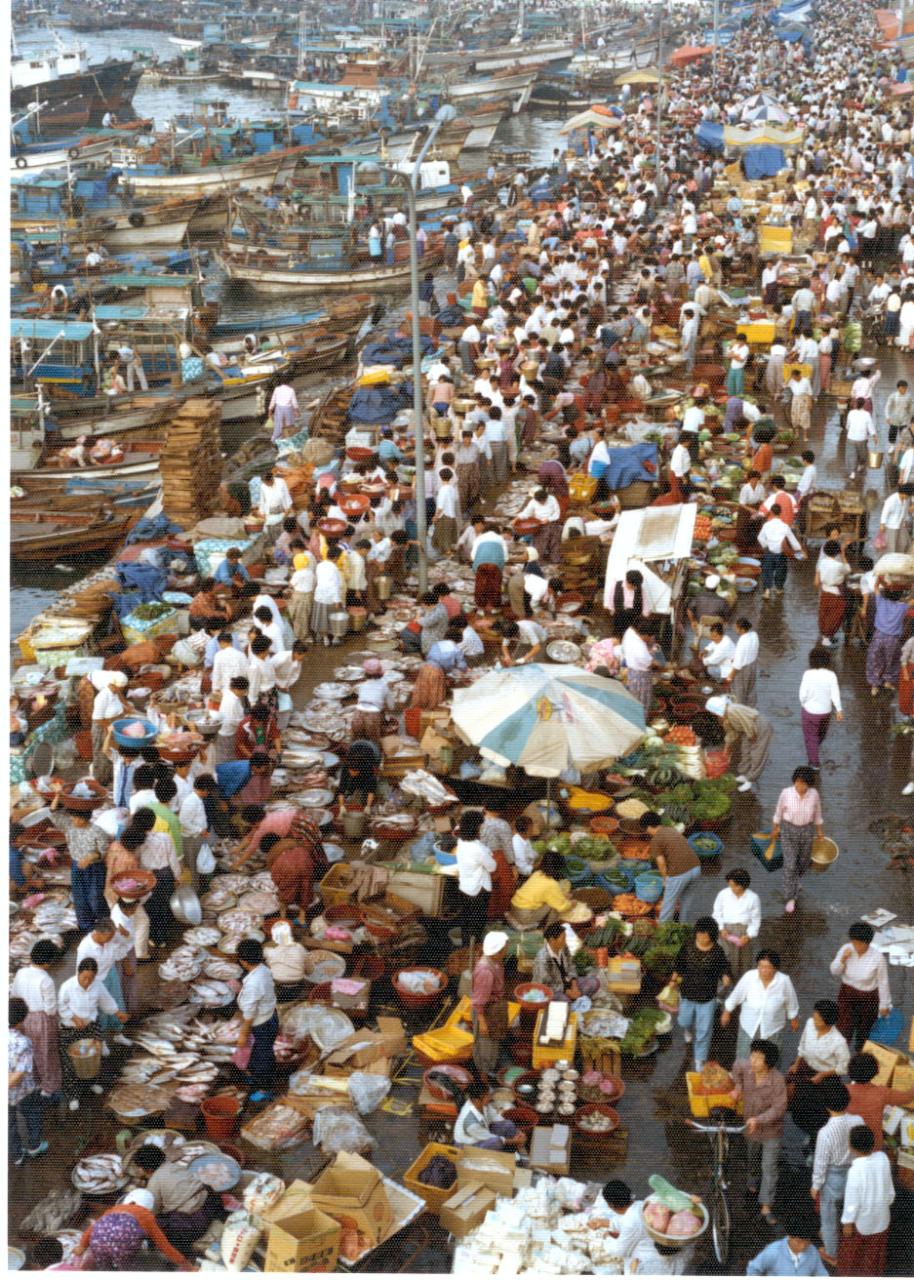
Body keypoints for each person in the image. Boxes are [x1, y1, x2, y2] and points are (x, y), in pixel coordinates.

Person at [729, 1039, 788, 1225]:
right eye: (752, 1056)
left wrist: (759, 1119)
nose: (753, 1061)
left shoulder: (778, 1081)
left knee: (769, 1167)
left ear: (768, 1063)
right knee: (752, 1156)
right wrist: (738, 1087)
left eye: (758, 1058)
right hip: (750, 1127)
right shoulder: (746, 1067)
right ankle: (753, 1179)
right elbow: (736, 1067)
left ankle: (766, 1204)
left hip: (770, 1130)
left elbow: (779, 1108)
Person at [58, 958, 126, 1111]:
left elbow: (106, 1001)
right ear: (78, 973)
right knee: (70, 1063)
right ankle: (73, 1095)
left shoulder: (97, 985)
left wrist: (117, 1012)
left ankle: (92, 1083)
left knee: (92, 1058)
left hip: (90, 1026)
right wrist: (74, 1018)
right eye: (84, 978)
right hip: (70, 1029)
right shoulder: (67, 986)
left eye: (91, 978)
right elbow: (61, 1006)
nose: (87, 981)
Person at [72, 1188, 193, 1271]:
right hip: (123, 1249)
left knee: (104, 1265)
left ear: (129, 1201)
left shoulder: (113, 1209)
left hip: (97, 1242)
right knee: (126, 1267)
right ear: (147, 1206)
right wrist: (184, 1263)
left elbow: (93, 1228)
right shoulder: (147, 1216)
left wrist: (82, 1246)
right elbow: (164, 1245)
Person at [811, 1081, 864, 1267]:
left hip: (833, 1177)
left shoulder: (825, 1132)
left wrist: (816, 1185)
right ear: (847, 1100)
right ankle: (850, 1239)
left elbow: (820, 1162)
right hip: (855, 1172)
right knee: (850, 1208)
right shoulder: (858, 1120)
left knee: (828, 1216)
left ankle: (831, 1253)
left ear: (825, 1105)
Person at [133, 1143, 222, 1251]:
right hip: (211, 1201)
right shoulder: (173, 1165)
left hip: (195, 1223)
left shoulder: (154, 1182)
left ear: (147, 1170)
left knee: (154, 1223)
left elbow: (153, 1211)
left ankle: (183, 1251)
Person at [669, 917, 731, 1071]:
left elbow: (724, 967)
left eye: (705, 934)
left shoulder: (717, 951)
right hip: (687, 994)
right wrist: (673, 980)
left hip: (707, 997)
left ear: (712, 935)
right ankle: (688, 1029)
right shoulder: (688, 946)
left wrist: (725, 976)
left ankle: (699, 1060)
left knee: (704, 1031)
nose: (702, 937)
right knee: (684, 1021)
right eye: (699, 933)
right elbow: (679, 964)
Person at [787, 1000, 851, 1140]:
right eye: (814, 1016)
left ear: (828, 1022)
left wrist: (823, 1074)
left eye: (818, 1019)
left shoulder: (839, 1042)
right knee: (799, 1101)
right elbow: (802, 1044)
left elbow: (843, 1067)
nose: (814, 1021)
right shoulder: (810, 1024)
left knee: (817, 1109)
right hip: (805, 1069)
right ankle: (802, 1125)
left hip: (825, 1079)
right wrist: (797, 1062)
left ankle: (815, 1135)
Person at [48, 786, 108, 932]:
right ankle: (86, 927)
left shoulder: (98, 832)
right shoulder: (69, 826)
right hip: (77, 866)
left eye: (75, 817)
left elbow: (103, 851)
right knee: (80, 897)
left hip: (94, 869)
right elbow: (53, 813)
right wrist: (57, 794)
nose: (72, 819)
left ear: (84, 818)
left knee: (95, 898)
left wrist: (90, 857)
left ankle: (103, 925)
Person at [721, 949, 800, 1059]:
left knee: (770, 1059)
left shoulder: (784, 981)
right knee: (744, 1057)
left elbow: (791, 1001)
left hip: (772, 1028)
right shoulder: (749, 977)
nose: (764, 971)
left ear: (775, 968)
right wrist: (726, 1012)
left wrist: (793, 1018)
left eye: (768, 967)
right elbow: (736, 995)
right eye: (761, 966)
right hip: (748, 1026)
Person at [837, 1124, 894, 1275]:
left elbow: (852, 1202)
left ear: (851, 1147)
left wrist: (847, 1223)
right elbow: (889, 1190)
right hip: (882, 1218)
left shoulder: (855, 1171)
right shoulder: (883, 1158)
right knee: (874, 1256)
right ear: (873, 1142)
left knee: (855, 1258)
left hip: (862, 1224)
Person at [829, 922, 892, 1051]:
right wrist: (842, 960)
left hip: (868, 997)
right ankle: (840, 1054)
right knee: (843, 1027)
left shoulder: (877, 958)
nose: (856, 946)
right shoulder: (846, 949)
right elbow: (834, 971)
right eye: (854, 942)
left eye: (860, 944)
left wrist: (884, 1005)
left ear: (868, 943)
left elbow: (883, 982)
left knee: (864, 1029)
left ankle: (860, 1053)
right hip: (847, 994)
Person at [10, 940, 61, 1098]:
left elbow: (14, 996)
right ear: (48, 962)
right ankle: (49, 1086)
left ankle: (35, 1080)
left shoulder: (20, 973)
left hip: (24, 1018)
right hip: (42, 1020)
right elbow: (51, 1009)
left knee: (30, 1051)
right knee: (47, 1052)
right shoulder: (46, 980)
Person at [771, 765, 823, 913]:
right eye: (798, 782)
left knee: (803, 862)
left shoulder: (814, 795)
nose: (800, 786)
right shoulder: (786, 793)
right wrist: (775, 829)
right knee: (790, 864)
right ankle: (790, 897)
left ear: (809, 784)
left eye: (804, 783)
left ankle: (796, 881)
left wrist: (820, 832)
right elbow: (778, 813)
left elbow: (818, 815)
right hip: (788, 831)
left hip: (807, 831)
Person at [236, 938, 278, 1102]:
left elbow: (249, 1014)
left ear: (244, 962)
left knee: (263, 1056)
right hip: (270, 1017)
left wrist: (242, 1035)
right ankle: (255, 1076)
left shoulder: (254, 983)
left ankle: (265, 1088)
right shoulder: (263, 970)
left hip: (262, 1024)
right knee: (259, 1052)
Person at [640, 811, 701, 923]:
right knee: (686, 902)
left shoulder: (656, 839)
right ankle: (684, 926)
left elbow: (661, 862)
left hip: (679, 873)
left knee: (668, 905)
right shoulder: (671, 830)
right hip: (696, 868)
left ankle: (663, 932)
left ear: (648, 827)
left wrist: (665, 879)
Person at [9, 997, 49, 1168]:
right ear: (21, 1020)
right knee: (33, 1115)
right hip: (24, 1091)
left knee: (9, 1125)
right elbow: (20, 1073)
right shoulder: (22, 1042)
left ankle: (16, 1155)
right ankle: (34, 1146)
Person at [847, 1051, 914, 1152]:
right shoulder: (881, 1093)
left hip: (850, 1144)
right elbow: (907, 1097)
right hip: (874, 1146)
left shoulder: (843, 1091)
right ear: (875, 1071)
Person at [471, 930, 510, 1083]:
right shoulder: (485, 971)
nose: (507, 950)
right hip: (486, 1012)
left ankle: (490, 1067)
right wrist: (482, 1022)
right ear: (497, 951)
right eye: (505, 948)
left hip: (494, 1007)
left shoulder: (495, 961)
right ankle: (484, 1080)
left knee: (493, 1041)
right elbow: (479, 1001)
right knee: (485, 1045)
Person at [711, 868, 761, 980]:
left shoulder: (753, 898)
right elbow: (716, 913)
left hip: (744, 932)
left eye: (734, 885)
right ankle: (723, 989)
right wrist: (721, 928)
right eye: (730, 885)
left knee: (744, 963)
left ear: (742, 886)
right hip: (726, 932)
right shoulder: (723, 894)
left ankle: (742, 987)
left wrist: (749, 936)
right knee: (726, 960)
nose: (731, 888)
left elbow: (755, 920)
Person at [455, 809, 496, 944]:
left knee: (466, 922)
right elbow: (492, 867)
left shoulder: (461, 842)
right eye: (480, 826)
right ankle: (473, 950)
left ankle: (466, 948)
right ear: (475, 828)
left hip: (465, 888)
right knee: (477, 925)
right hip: (479, 891)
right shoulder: (478, 850)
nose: (482, 828)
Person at [532, 921, 600, 1001]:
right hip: (551, 990)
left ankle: (575, 1000)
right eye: (563, 938)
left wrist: (574, 986)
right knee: (565, 1000)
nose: (565, 940)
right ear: (552, 940)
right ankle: (572, 1002)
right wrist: (567, 992)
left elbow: (571, 967)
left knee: (594, 982)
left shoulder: (564, 947)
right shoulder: (543, 958)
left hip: (567, 983)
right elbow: (545, 984)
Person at [798, 647, 843, 769]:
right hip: (826, 712)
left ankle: (814, 763)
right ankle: (815, 746)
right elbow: (835, 693)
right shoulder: (831, 675)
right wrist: (839, 710)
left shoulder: (808, 674)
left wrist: (804, 703)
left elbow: (802, 695)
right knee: (821, 733)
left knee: (810, 736)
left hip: (810, 712)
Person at [454, 1080, 525, 1150]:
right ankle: (509, 1149)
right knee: (496, 1142)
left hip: (483, 1132)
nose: (490, 1097)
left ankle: (516, 1145)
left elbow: (495, 1117)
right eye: (487, 1096)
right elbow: (491, 1138)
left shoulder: (482, 1104)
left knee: (508, 1124)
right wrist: (514, 1141)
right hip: (468, 1146)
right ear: (477, 1100)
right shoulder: (471, 1123)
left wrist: (518, 1132)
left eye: (488, 1094)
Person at [866, 582, 909, 695]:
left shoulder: (881, 601)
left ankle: (875, 685)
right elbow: (912, 600)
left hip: (878, 636)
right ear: (900, 595)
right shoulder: (903, 607)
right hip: (893, 640)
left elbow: (875, 587)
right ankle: (888, 681)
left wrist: (880, 579)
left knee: (875, 660)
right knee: (892, 661)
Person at [746, 1221, 829, 1275]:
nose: (803, 1246)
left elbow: (822, 1273)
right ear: (790, 1237)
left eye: (806, 1242)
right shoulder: (774, 1250)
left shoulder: (813, 1252)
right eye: (798, 1242)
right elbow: (753, 1268)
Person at [758, 503, 804, 598]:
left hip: (769, 551)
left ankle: (767, 591)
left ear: (771, 512)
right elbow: (793, 541)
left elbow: (760, 537)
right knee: (781, 570)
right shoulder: (785, 526)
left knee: (767, 570)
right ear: (780, 513)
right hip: (781, 552)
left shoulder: (767, 525)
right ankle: (779, 589)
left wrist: (766, 545)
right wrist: (799, 550)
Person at [597, 1180, 648, 1259]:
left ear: (611, 1205)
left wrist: (607, 1238)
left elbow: (619, 1251)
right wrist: (609, 1223)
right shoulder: (641, 1204)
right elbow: (626, 1221)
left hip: (647, 1258)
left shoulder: (629, 1222)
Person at [815, 541, 851, 646]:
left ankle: (825, 635)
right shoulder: (839, 565)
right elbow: (848, 570)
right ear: (838, 552)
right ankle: (827, 637)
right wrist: (843, 556)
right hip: (836, 593)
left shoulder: (822, 562)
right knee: (835, 615)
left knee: (824, 614)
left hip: (824, 590)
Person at [264, 919, 308, 997]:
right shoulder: (300, 948)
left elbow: (265, 954)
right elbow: (310, 971)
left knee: (268, 965)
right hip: (298, 984)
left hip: (278, 985)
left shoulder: (270, 952)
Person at [338, 739, 381, 813]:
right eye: (351, 770)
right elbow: (341, 788)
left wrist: (368, 806)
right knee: (350, 786)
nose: (352, 773)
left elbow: (371, 790)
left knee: (366, 789)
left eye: (355, 771)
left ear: (360, 769)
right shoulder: (346, 767)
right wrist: (341, 806)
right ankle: (352, 792)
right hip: (355, 746)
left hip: (373, 752)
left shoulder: (368, 768)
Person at [725, 617, 759, 706]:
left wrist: (730, 676)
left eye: (736, 627)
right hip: (753, 665)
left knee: (739, 691)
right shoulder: (754, 635)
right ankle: (751, 708)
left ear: (742, 629)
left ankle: (739, 710)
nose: (735, 628)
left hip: (743, 670)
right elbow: (750, 651)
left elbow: (738, 665)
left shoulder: (742, 641)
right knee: (750, 688)